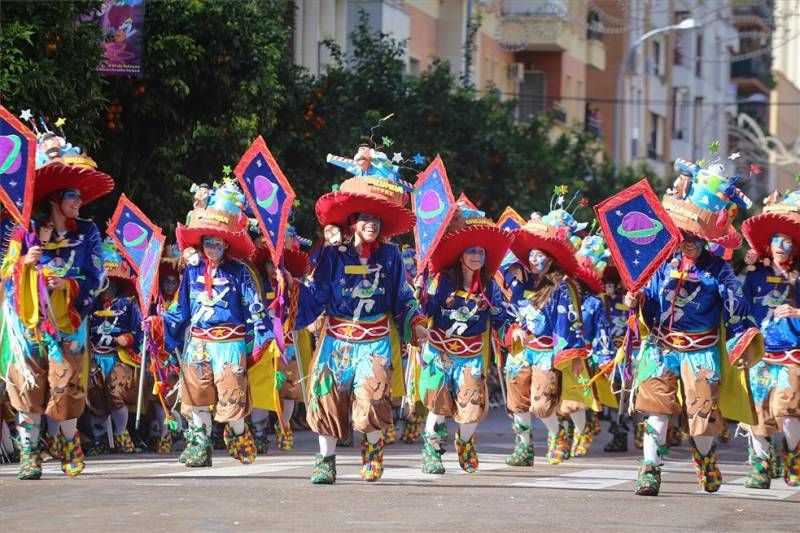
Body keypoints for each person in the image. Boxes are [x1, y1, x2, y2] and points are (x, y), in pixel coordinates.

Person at [292, 144, 424, 484]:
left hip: (375, 340)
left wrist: (415, 323)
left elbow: (403, 296)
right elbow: (316, 295)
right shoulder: (332, 255)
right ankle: (326, 460)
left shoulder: (392, 256)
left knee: (373, 398)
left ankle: (373, 449)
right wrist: (291, 290)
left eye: (377, 219)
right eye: (365, 218)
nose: (371, 224)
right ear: (352, 222)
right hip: (336, 340)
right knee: (328, 397)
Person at [629, 161, 763, 496]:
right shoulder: (661, 262)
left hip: (700, 352)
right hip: (661, 347)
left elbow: (735, 308)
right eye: (683, 235)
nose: (687, 242)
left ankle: (704, 459)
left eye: (694, 237)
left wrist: (743, 341)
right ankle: (650, 470)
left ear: (706, 239)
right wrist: (637, 299)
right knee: (655, 412)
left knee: (702, 418)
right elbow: (649, 297)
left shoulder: (719, 271)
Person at [1, 129, 112, 479]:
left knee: (66, 387)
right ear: (53, 198)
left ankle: (67, 443)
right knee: (26, 387)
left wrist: (67, 283)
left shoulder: (88, 232)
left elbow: (97, 277)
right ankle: (29, 455)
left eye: (80, 196)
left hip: (69, 322)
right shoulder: (22, 230)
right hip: (28, 321)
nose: (78, 201)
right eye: (71, 196)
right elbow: (5, 273)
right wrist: (26, 263)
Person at [149, 179, 271, 468]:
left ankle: (240, 435)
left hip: (230, 343)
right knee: (197, 399)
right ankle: (201, 447)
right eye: (207, 242)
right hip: (199, 344)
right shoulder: (191, 273)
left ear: (227, 242)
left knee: (232, 400)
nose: (212, 247)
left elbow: (255, 307)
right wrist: (158, 323)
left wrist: (261, 336)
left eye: (217, 242)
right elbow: (181, 310)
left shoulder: (240, 272)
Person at [416, 201, 515, 473]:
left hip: (470, 355)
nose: (476, 256)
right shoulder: (443, 280)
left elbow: (501, 317)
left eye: (481, 251)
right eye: (471, 250)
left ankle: (465, 442)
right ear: (460, 255)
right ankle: (432, 452)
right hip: (439, 352)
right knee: (437, 405)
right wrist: (419, 298)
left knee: (471, 409)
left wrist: (512, 333)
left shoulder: (490, 286)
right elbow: (424, 309)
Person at [503, 205, 597, 467]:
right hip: (520, 350)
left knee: (542, 404)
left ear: (551, 258)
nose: (534, 260)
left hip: (546, 352)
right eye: (531, 255)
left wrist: (572, 354)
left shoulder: (561, 286)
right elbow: (508, 311)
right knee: (517, 401)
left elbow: (569, 322)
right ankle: (524, 448)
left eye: (539, 255)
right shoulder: (519, 280)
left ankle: (558, 436)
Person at [740, 190, 800, 488]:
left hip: (792, 352)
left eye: (787, 241)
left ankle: (792, 455)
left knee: (788, 410)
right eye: (777, 239)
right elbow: (738, 306)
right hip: (760, 351)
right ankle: (761, 464)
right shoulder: (754, 274)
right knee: (757, 410)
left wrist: (797, 312)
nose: (781, 246)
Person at [85, 238, 142, 455]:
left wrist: (127, 338)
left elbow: (140, 330)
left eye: (110, 281)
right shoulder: (91, 303)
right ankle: (99, 440)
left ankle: (121, 433)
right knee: (95, 396)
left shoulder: (128, 303)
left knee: (114, 390)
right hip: (94, 357)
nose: (106, 287)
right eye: (103, 281)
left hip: (121, 358)